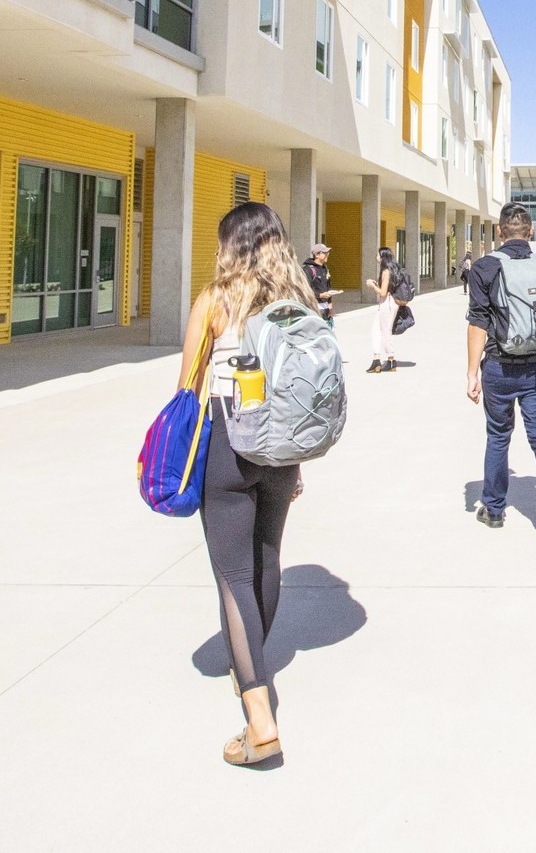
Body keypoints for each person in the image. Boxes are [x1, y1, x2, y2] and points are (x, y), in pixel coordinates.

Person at [176, 201, 314, 766]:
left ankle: (259, 721)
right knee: (267, 558)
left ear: (230, 245)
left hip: (228, 446)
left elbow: (187, 384)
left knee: (232, 575)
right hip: (282, 450)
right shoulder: (295, 304)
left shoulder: (215, 301)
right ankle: (252, 664)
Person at [466, 203, 536, 548]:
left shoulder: (485, 267)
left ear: (499, 232)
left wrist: (472, 373)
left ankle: (494, 509)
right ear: (530, 233)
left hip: (498, 367)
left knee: (498, 436)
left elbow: (478, 322)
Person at [365, 247, 399, 373]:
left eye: (378, 255)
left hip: (387, 304)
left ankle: (391, 360)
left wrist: (373, 286)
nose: (376, 257)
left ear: (383, 257)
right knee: (375, 330)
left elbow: (383, 292)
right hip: (388, 303)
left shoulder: (386, 271)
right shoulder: (392, 269)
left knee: (385, 331)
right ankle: (376, 359)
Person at [302, 242, 338, 327]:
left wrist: (330, 306)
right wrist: (320, 295)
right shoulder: (308, 270)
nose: (327, 255)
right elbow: (305, 290)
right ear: (317, 255)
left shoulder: (325, 269)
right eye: (324, 253)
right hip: (314, 308)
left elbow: (328, 287)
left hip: (325, 309)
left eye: (327, 253)